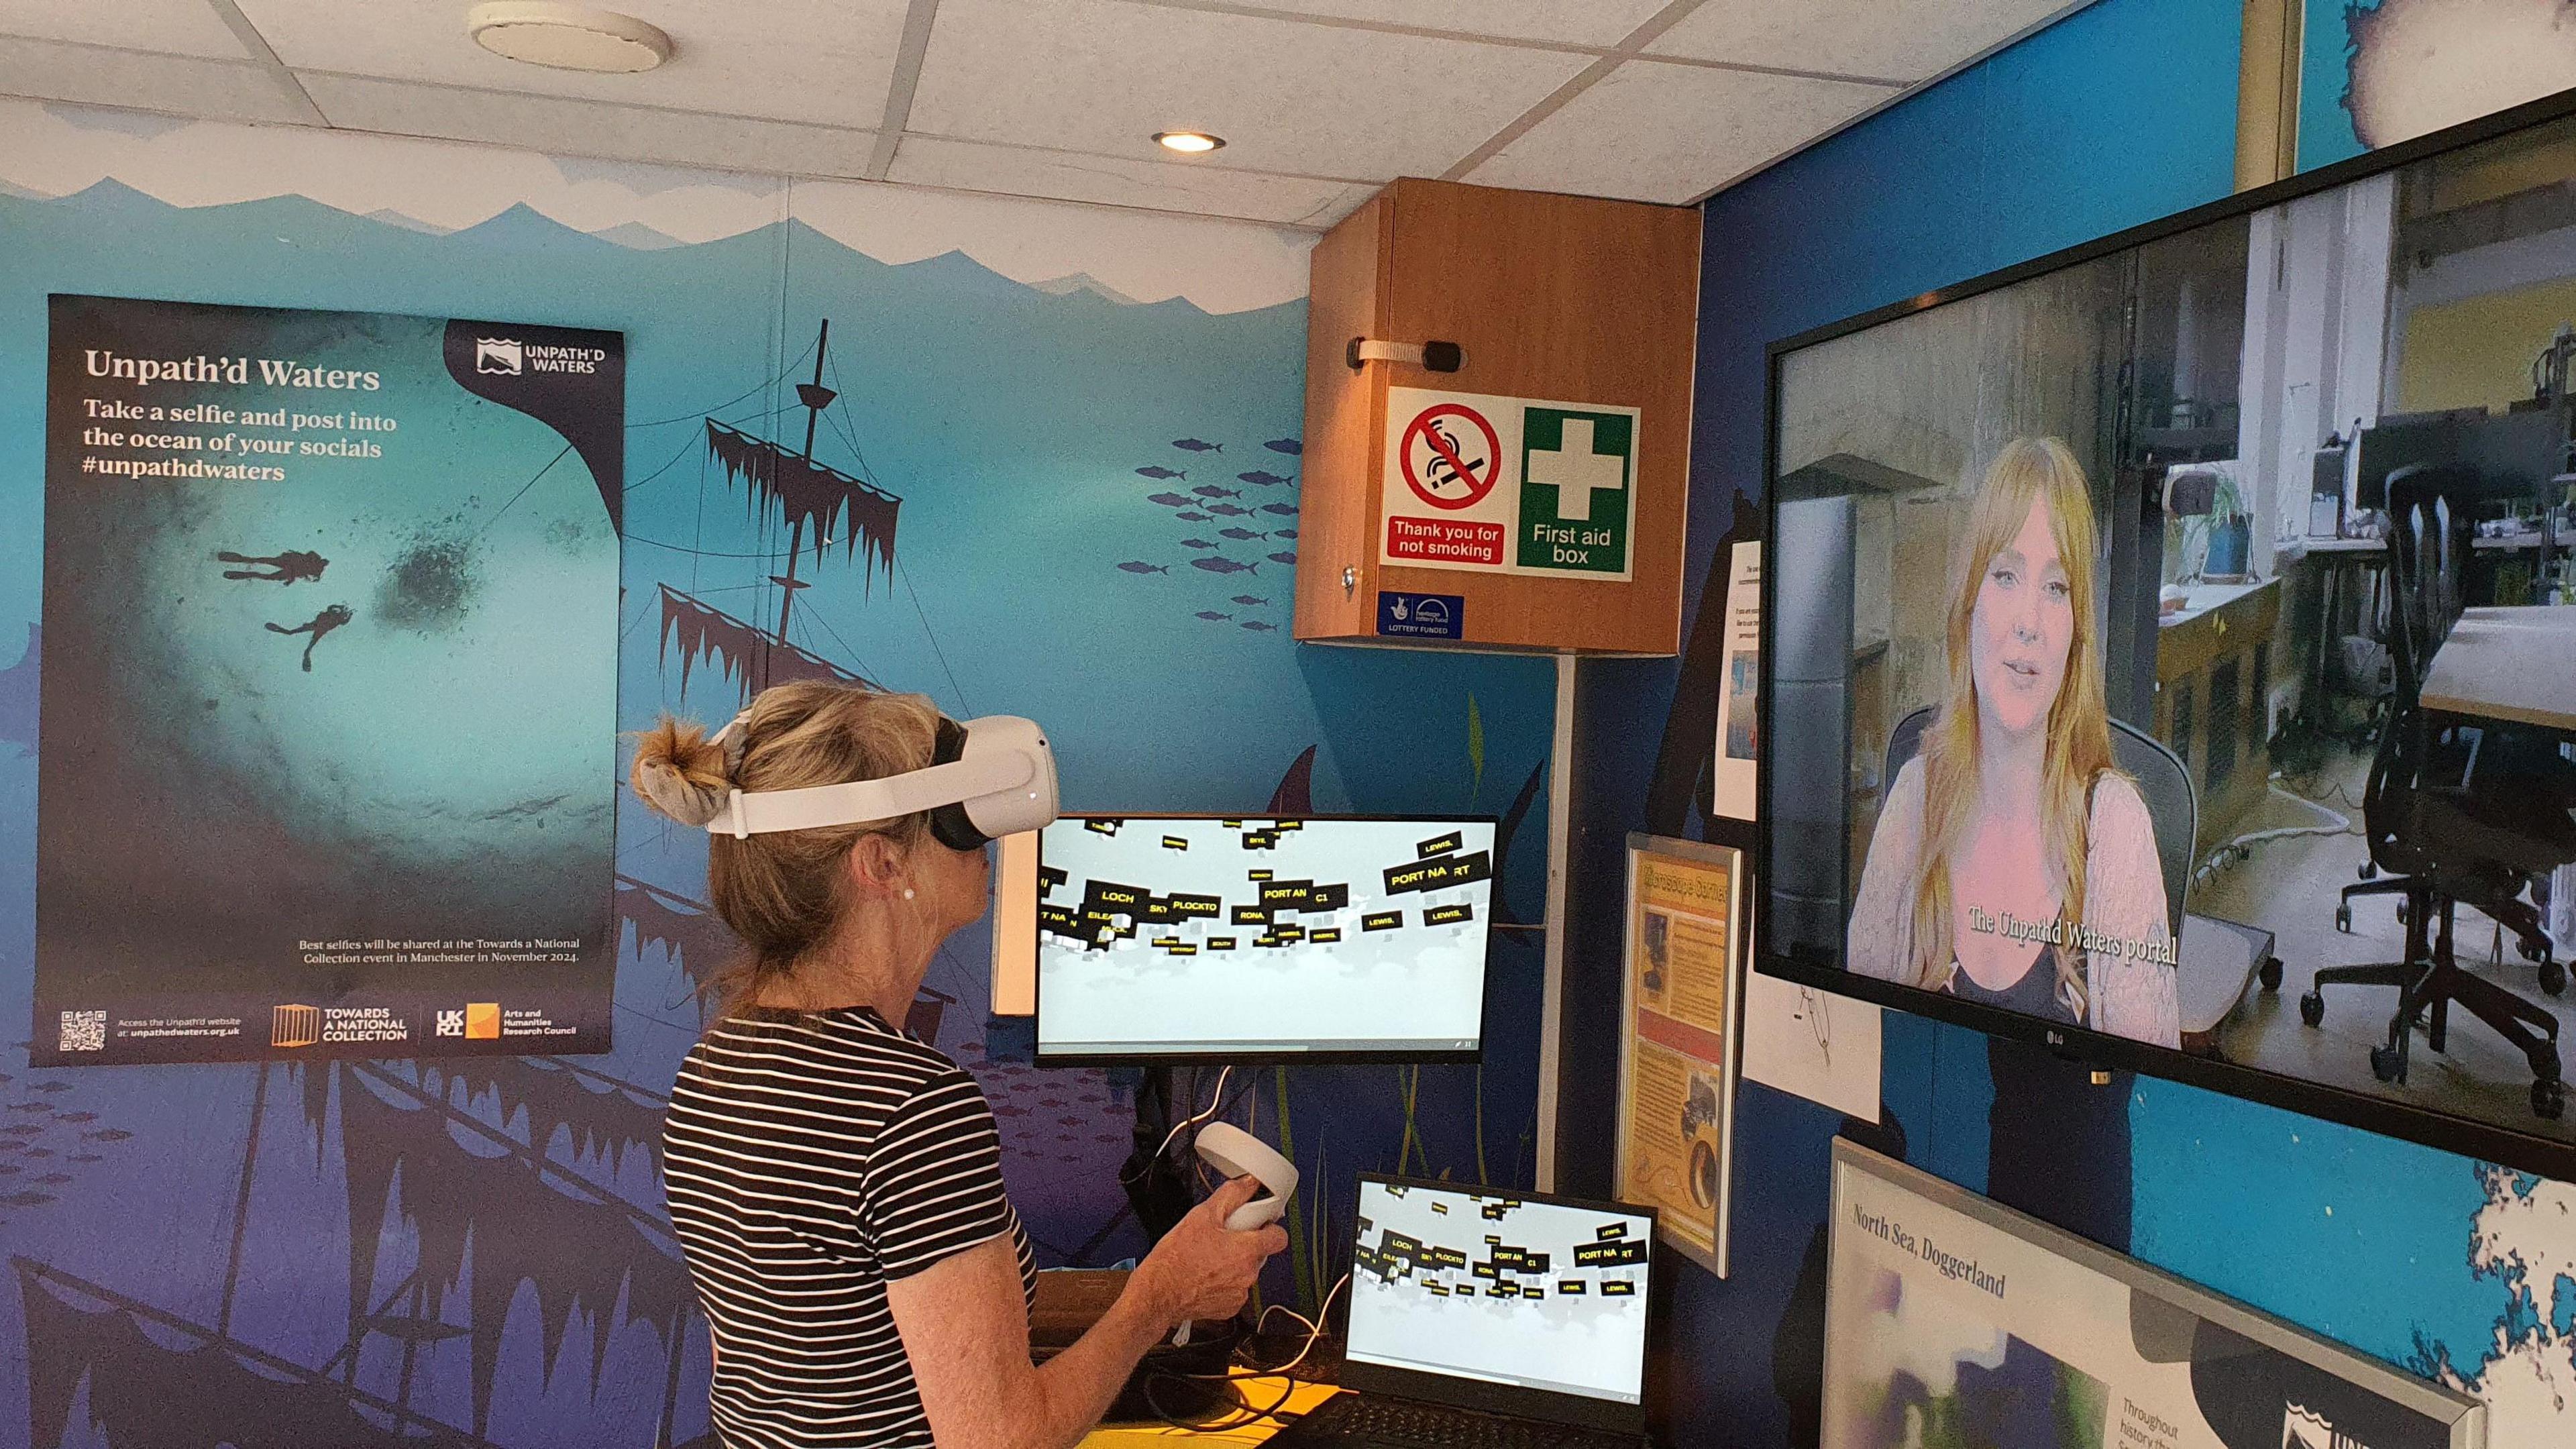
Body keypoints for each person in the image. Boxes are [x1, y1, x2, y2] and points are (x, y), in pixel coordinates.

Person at [633, 682, 1285, 1449]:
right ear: (879, 862)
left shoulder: (718, 1066)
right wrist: (1158, 1298)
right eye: (954, 825)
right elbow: (1000, 1442)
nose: (985, 846)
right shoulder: (910, 1110)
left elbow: (802, 1358)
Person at [1846, 437, 2178, 1047]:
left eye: (2056, 589)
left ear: (2077, 633)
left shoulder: (2115, 828)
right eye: (2005, 575)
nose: (2029, 620)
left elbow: (2144, 1096)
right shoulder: (1914, 799)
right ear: (1968, 605)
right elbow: (1854, 1054)